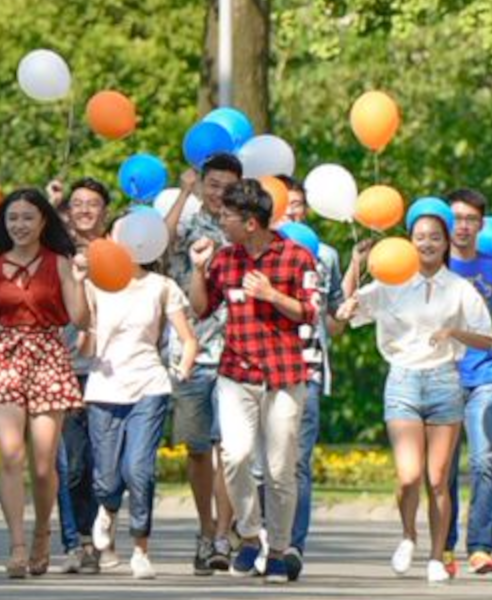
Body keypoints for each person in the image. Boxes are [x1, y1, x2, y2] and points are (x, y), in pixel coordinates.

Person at [337, 209, 492, 584]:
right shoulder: (391, 282)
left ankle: (437, 556)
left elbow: (487, 338)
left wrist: (454, 331)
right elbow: (351, 304)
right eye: (420, 236)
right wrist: (356, 266)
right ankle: (408, 535)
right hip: (403, 382)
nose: (427, 243)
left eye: (435, 237)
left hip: (445, 384)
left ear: (445, 245)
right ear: (410, 241)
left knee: (438, 479)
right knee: (409, 477)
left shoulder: (459, 288)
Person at [187, 179, 319, 584]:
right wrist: (197, 269)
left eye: (226, 215)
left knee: (281, 468)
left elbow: (310, 313)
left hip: (285, 375)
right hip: (236, 374)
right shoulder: (226, 259)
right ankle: (247, 536)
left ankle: (277, 549)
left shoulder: (297, 258)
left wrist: (271, 294)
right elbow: (202, 308)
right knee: (235, 455)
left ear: (250, 222)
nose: (220, 220)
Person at [0, 188, 89, 578]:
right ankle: (16, 546)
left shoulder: (61, 264)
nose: (20, 225)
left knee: (45, 466)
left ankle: (42, 535)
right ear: (3, 222)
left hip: (49, 353)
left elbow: (80, 320)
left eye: (28, 217)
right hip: (5, 356)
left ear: (43, 221)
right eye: (12, 218)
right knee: (11, 454)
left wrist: (80, 279)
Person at [80, 226, 198, 580]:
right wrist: (88, 331)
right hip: (104, 387)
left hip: (150, 384)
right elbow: (86, 346)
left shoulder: (162, 287)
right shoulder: (93, 284)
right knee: (106, 477)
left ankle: (140, 550)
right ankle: (107, 508)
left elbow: (188, 339)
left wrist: (183, 368)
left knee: (140, 470)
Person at [163, 153, 242, 575]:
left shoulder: (242, 231)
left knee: (229, 449)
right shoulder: (188, 222)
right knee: (197, 449)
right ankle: (205, 526)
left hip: (236, 354)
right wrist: (185, 192)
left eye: (228, 187)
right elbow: (158, 240)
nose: (219, 194)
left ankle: (223, 537)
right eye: (212, 184)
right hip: (190, 352)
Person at [443, 188, 492, 576]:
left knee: (484, 460)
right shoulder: (432, 264)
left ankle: (479, 547)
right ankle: (444, 547)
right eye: (457, 218)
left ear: (481, 224)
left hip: (485, 376)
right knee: (442, 468)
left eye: (471, 219)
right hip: (441, 378)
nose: (463, 226)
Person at [272, 174, 345, 581]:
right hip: (261, 367)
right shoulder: (253, 254)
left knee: (297, 460)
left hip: (308, 367)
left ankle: (292, 545)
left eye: (296, 204)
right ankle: (262, 535)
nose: (290, 211)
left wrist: (346, 307)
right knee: (262, 462)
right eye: (282, 203)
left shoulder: (326, 255)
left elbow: (331, 323)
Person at [51, 177, 108, 573]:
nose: (84, 209)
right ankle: (78, 542)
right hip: (65, 368)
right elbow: (25, 225)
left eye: (93, 203)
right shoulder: (55, 254)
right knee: (70, 464)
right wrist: (50, 201)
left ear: (105, 210)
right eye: (77, 203)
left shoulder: (121, 253)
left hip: (111, 371)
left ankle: (105, 532)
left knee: (106, 467)